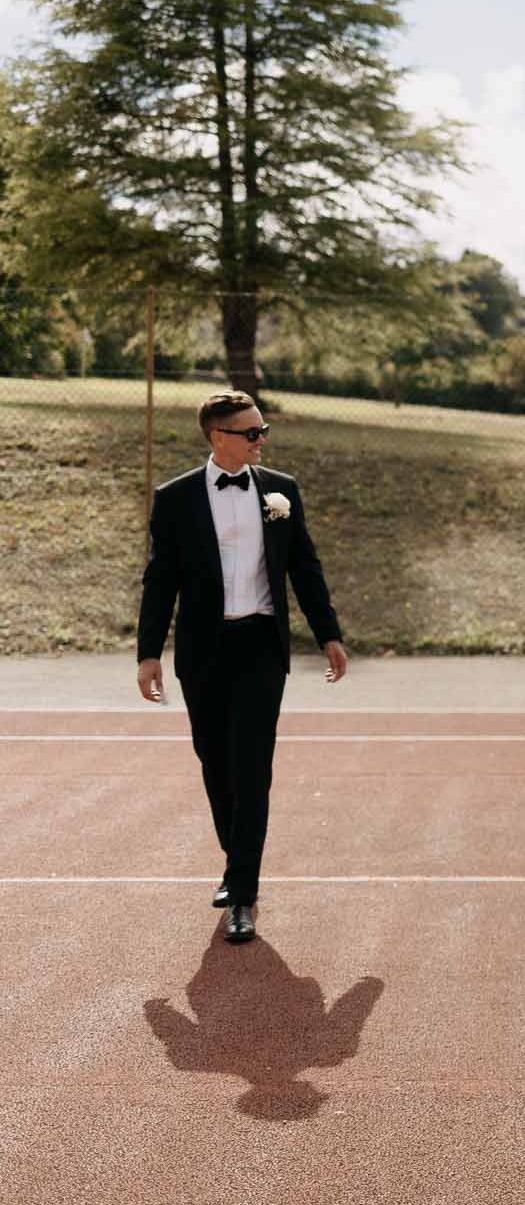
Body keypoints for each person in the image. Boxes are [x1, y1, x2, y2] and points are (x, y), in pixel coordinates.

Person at [136, 391, 346, 944]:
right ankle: (237, 859)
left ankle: (242, 893)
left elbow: (305, 565)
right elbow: (160, 581)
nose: (260, 440)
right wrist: (148, 653)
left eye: (263, 431)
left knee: (251, 767)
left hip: (260, 646)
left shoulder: (282, 491)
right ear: (217, 436)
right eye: (250, 433)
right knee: (215, 762)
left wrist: (329, 634)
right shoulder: (174, 498)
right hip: (203, 652)